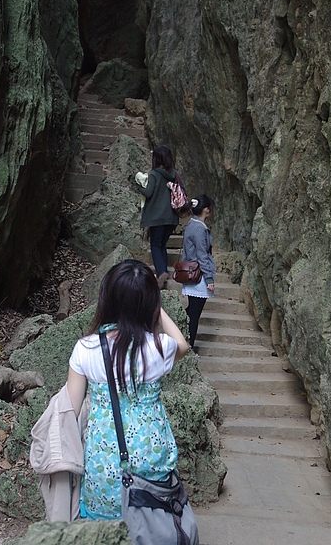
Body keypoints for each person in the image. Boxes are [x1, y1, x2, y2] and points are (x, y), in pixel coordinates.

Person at [67, 259, 189, 521]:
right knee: (152, 521)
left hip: (104, 461)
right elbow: (183, 345)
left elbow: (71, 410)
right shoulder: (159, 347)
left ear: (107, 300)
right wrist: (157, 307)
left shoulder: (85, 349)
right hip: (152, 457)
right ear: (150, 304)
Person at [136, 146, 187, 289]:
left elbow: (148, 192)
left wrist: (138, 186)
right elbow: (183, 191)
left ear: (156, 158)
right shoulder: (175, 174)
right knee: (161, 244)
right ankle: (163, 271)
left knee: (155, 246)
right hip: (171, 218)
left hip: (156, 218)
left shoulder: (154, 174)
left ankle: (161, 274)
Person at [181, 195, 216, 348]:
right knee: (194, 315)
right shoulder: (200, 228)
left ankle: (184, 343)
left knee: (191, 312)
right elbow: (202, 255)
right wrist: (209, 279)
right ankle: (188, 347)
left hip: (191, 273)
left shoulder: (192, 223)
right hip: (198, 275)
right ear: (207, 209)